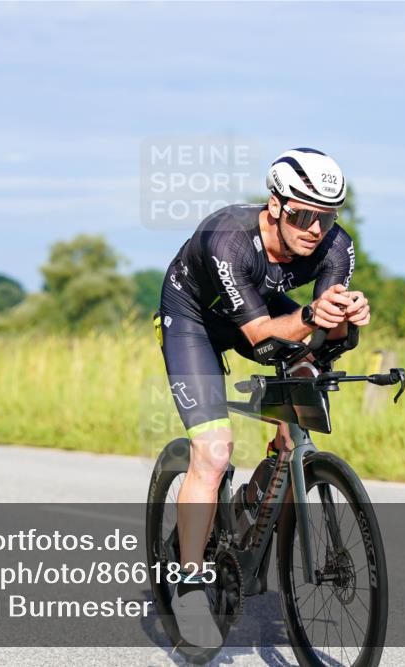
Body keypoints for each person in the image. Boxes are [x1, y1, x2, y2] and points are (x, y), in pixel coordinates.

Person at [154, 147, 371, 648]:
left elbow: (322, 332)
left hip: (259, 305)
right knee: (213, 452)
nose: (315, 229)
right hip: (194, 320)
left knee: (304, 389)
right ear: (275, 205)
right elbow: (260, 337)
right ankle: (189, 587)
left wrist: (345, 318)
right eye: (303, 215)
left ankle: (262, 493)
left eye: (326, 217)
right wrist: (313, 317)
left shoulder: (337, 247)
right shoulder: (228, 239)